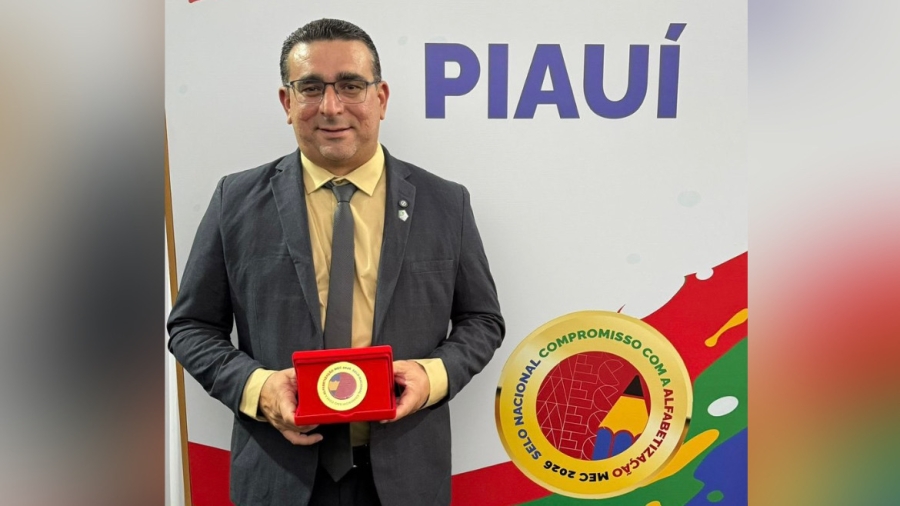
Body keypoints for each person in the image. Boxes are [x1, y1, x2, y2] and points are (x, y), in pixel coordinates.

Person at [167, 18, 505, 506]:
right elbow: (191, 326)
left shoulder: (445, 203)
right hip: (278, 477)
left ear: (381, 98)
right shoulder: (234, 200)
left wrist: (433, 376)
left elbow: (482, 319)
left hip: (406, 477)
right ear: (287, 102)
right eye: (310, 88)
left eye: (350, 85)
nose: (331, 106)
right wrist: (258, 388)